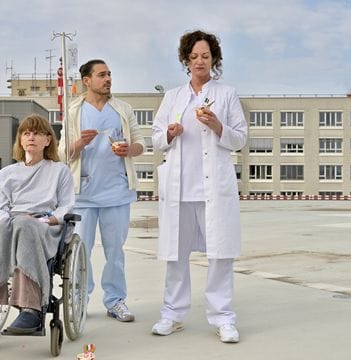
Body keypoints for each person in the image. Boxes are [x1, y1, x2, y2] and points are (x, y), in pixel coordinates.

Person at [150, 30, 248, 343]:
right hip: (180, 188)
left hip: (213, 190)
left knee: (220, 256)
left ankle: (223, 317)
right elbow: (155, 139)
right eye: (194, 57)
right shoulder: (173, 97)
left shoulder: (227, 94)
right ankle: (172, 314)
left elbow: (240, 138)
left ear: (214, 59)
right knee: (176, 256)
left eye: (205, 56)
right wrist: (170, 132)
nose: (200, 62)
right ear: (186, 60)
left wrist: (217, 125)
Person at [0, 114, 74, 336]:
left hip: (44, 225)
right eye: (26, 133)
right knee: (1, 228)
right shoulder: (7, 174)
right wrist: (7, 222)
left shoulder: (59, 171)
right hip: (11, 224)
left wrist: (44, 220)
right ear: (20, 140)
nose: (31, 137)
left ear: (48, 140)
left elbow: (66, 207)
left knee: (24, 226)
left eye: (37, 133)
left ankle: (31, 307)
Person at [59, 59, 145, 322]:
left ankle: (115, 300)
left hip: (116, 193)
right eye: (101, 75)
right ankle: (80, 299)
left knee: (115, 252)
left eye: (109, 74)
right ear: (87, 80)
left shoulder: (122, 109)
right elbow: (62, 153)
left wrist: (128, 149)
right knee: (79, 252)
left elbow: (141, 144)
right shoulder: (74, 112)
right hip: (83, 195)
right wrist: (78, 144)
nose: (107, 79)